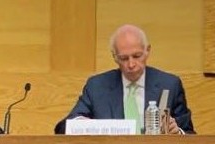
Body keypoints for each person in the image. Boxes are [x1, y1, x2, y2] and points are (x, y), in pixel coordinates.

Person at [55, 24, 194, 134]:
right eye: (124, 58)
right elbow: (64, 127)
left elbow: (189, 135)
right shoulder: (97, 87)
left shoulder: (169, 84)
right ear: (114, 57)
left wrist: (177, 132)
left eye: (137, 56)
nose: (131, 64)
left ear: (148, 51)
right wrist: (83, 124)